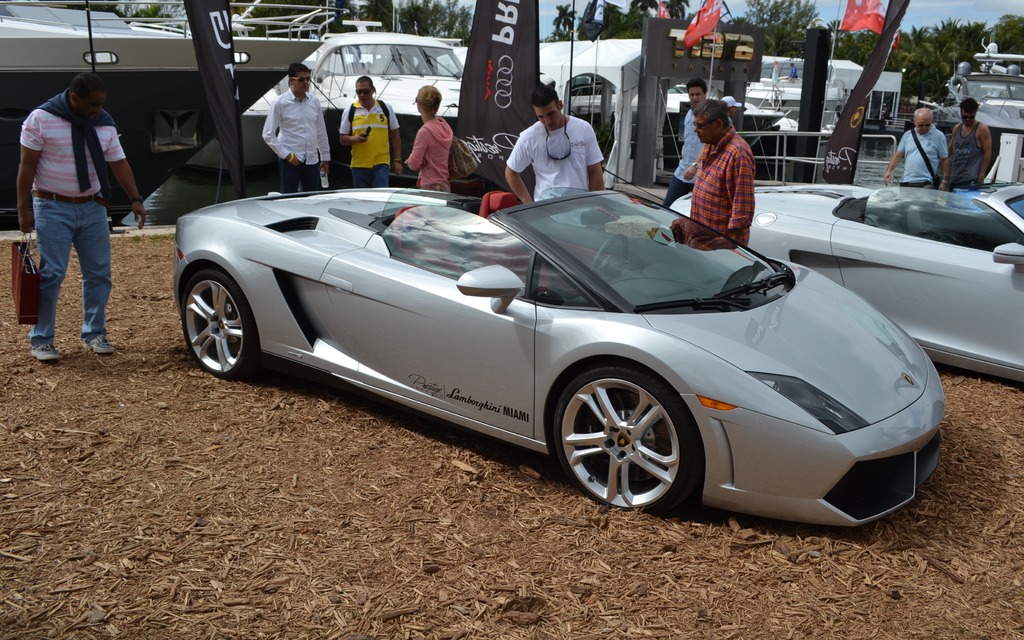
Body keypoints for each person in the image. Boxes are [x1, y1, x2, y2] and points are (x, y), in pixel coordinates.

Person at [16, 72, 147, 362]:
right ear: (74, 98)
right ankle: (42, 339)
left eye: (101, 104)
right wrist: (23, 209)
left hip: (93, 206)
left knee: (99, 273)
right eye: (93, 104)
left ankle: (94, 332)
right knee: (52, 274)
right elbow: (27, 166)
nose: (98, 110)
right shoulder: (41, 118)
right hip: (51, 205)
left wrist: (135, 198)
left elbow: (119, 162)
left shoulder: (103, 124)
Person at [670, 99, 756, 246]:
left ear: (718, 124)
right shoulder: (711, 145)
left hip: (718, 254)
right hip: (702, 244)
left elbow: (742, 214)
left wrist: (716, 249)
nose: (695, 130)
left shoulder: (738, 154)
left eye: (700, 126)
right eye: (694, 125)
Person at [505, 85, 604, 203]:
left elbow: (595, 171)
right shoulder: (529, 136)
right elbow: (511, 173)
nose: (547, 121)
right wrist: (528, 203)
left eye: (551, 114)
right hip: (546, 209)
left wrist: (597, 203)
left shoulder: (583, 128)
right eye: (540, 117)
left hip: (580, 206)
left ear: (560, 105)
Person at [261, 62, 331, 194]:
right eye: (301, 79)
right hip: (290, 157)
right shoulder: (279, 102)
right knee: (288, 197)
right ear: (291, 81)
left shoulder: (314, 101)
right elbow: (268, 134)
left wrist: (325, 157)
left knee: (312, 197)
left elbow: (321, 131)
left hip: (311, 158)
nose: (305, 82)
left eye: (307, 79)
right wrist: (288, 155)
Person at [339, 76, 402, 188]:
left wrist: (397, 160)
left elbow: (395, 134)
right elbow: (342, 139)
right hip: (359, 165)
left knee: (380, 199)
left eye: (366, 91)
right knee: (362, 201)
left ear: (373, 90)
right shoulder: (350, 110)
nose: (362, 95)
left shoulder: (385, 108)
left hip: (381, 163)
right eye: (359, 92)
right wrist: (356, 139)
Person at [662, 78, 707, 207]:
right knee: (668, 207)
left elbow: (710, 145)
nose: (695, 97)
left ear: (705, 94)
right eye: (691, 94)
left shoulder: (710, 116)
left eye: (698, 94)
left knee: (696, 213)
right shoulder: (689, 113)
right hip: (683, 170)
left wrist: (695, 165)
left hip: (701, 173)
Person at [883, 108, 949, 188]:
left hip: (926, 182)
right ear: (915, 122)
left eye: (928, 125)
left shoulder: (939, 136)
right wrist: (889, 171)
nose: (924, 128)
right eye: (921, 125)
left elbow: (944, 159)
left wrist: (945, 181)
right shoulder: (907, 135)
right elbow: (898, 155)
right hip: (906, 181)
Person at [406, 85, 453, 192]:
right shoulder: (445, 125)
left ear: (419, 104)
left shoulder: (425, 131)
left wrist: (409, 161)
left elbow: (414, 164)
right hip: (444, 184)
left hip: (429, 185)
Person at [944, 97, 992, 190]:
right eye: (964, 117)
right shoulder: (956, 128)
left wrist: (982, 175)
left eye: (971, 117)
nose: (968, 120)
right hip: (955, 177)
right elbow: (949, 152)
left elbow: (988, 153)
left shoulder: (982, 129)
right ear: (961, 113)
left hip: (971, 178)